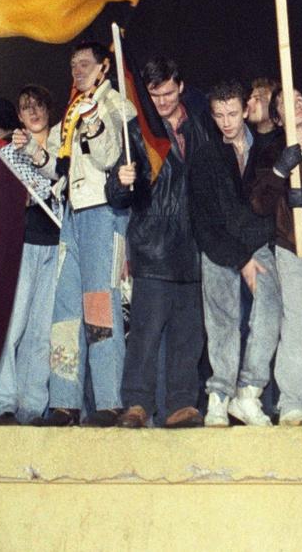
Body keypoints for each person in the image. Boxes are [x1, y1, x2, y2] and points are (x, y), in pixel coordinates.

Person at [29, 41, 135, 427]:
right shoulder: (72, 111)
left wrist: (93, 124)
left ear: (104, 67)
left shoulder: (116, 107)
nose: (78, 69)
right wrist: (36, 156)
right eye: (73, 64)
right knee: (65, 311)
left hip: (103, 214)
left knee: (99, 305)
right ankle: (65, 401)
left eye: (85, 63)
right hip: (71, 217)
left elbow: (109, 158)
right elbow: (56, 169)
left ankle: (108, 400)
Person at [110, 60, 212, 430]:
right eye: (154, 94)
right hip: (152, 248)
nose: (163, 100)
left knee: (189, 335)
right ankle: (137, 403)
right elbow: (116, 195)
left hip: (195, 248)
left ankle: (181, 404)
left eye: (168, 92)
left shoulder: (203, 127)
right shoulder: (135, 132)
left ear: (181, 86)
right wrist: (121, 182)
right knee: (145, 334)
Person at [189, 80, 276, 427]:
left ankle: (249, 392)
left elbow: (268, 207)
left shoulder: (266, 152)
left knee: (271, 304)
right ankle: (219, 395)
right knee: (222, 319)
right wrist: (239, 259)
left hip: (256, 243)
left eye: (232, 113)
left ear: (245, 110)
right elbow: (205, 220)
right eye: (219, 115)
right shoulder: (205, 157)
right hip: (220, 246)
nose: (227, 121)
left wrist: (250, 254)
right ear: (212, 116)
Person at [250, 86, 302, 426]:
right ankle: (291, 402)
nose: (297, 104)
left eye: (301, 98)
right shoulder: (271, 152)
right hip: (290, 245)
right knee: (296, 325)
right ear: (278, 117)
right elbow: (259, 202)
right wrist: (281, 173)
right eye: (286, 103)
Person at [0, 85, 62, 425]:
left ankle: (32, 406)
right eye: (25, 107)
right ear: (18, 116)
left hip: (58, 246)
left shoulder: (64, 144)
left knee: (42, 332)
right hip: (22, 245)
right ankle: (2, 403)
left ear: (48, 109)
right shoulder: (9, 154)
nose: (33, 112)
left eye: (38, 106)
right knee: (11, 326)